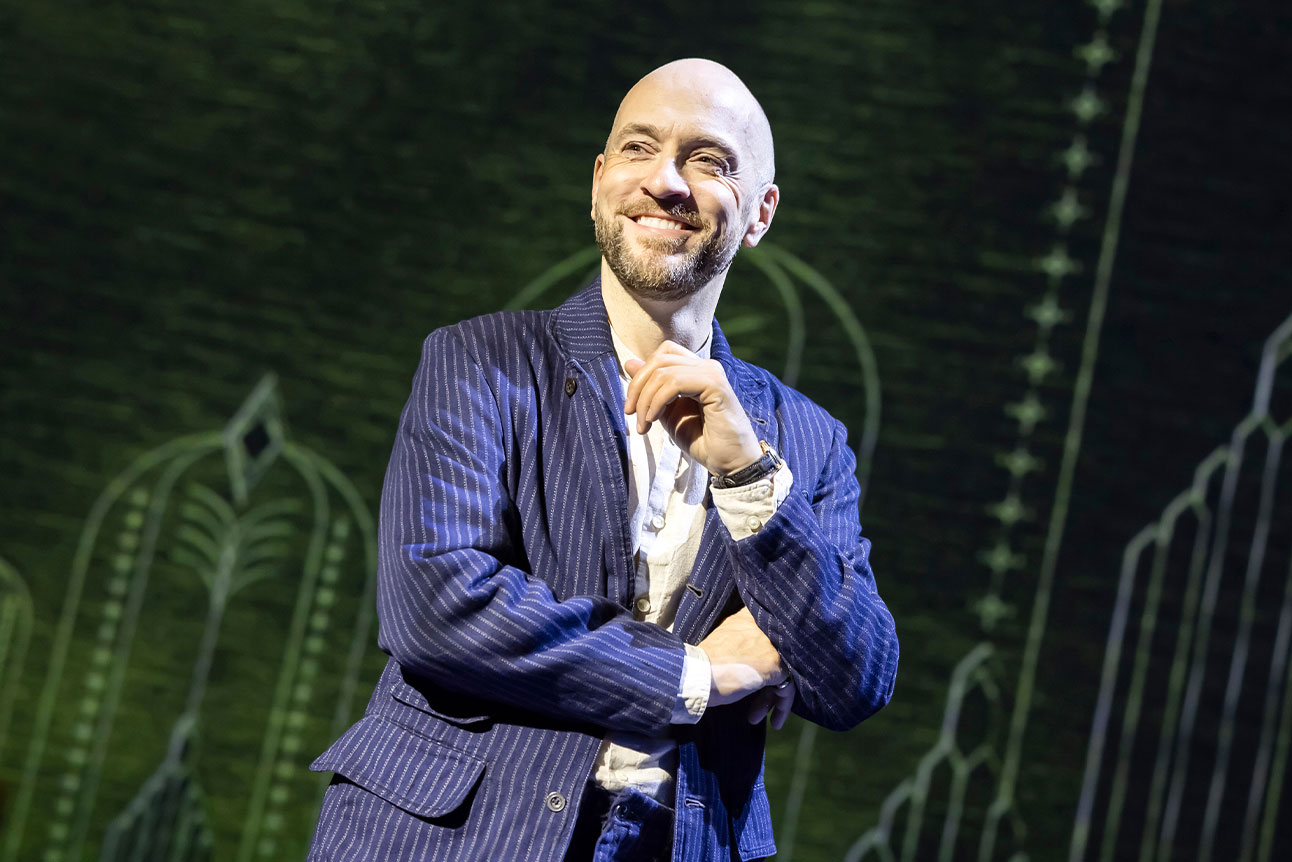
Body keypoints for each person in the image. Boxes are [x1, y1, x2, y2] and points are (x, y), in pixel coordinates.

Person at [306, 58, 898, 862]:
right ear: (598, 184)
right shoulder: (479, 363)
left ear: (760, 213)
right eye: (638, 149)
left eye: (709, 161)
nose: (667, 181)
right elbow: (437, 607)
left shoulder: (805, 440)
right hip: (452, 834)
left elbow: (855, 676)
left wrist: (748, 476)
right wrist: (702, 674)